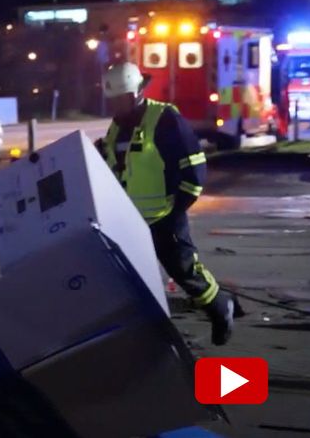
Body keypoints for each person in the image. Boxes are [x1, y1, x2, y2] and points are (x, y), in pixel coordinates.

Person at [100, 62, 235, 345]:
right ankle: (146, 337)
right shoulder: (117, 126)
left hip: (164, 214)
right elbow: (111, 160)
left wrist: (179, 206)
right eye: (112, 99)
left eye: (121, 98)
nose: (116, 104)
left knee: (185, 272)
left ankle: (220, 308)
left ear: (135, 92)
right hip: (129, 219)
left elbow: (193, 164)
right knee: (129, 280)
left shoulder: (163, 117)